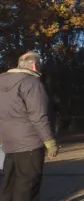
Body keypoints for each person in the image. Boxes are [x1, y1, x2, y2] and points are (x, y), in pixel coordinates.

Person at [0, 52, 58, 201]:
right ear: (34, 65)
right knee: (28, 185)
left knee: (9, 183)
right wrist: (49, 142)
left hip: (8, 143)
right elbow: (39, 115)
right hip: (29, 143)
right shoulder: (31, 82)